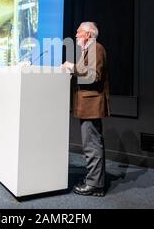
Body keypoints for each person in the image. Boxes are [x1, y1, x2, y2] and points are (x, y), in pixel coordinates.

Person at [62, 22, 110, 197]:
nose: (75, 35)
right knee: (91, 144)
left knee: (92, 145)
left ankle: (95, 184)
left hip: (92, 105)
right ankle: (94, 180)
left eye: (79, 32)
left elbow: (94, 75)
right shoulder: (89, 50)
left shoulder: (96, 48)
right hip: (87, 105)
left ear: (88, 34)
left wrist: (71, 68)